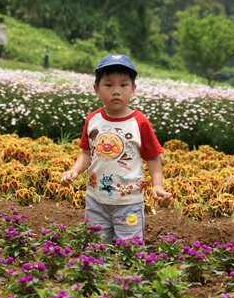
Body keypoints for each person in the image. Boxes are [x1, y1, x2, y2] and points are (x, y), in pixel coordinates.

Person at [60, 54, 172, 244]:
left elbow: (153, 157)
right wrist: (74, 170)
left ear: (133, 89)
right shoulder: (93, 119)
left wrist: (157, 185)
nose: (116, 91)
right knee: (95, 246)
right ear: (96, 89)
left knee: (130, 247)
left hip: (128, 201)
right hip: (95, 199)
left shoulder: (139, 122)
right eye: (109, 85)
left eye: (123, 85)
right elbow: (87, 154)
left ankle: (130, 274)